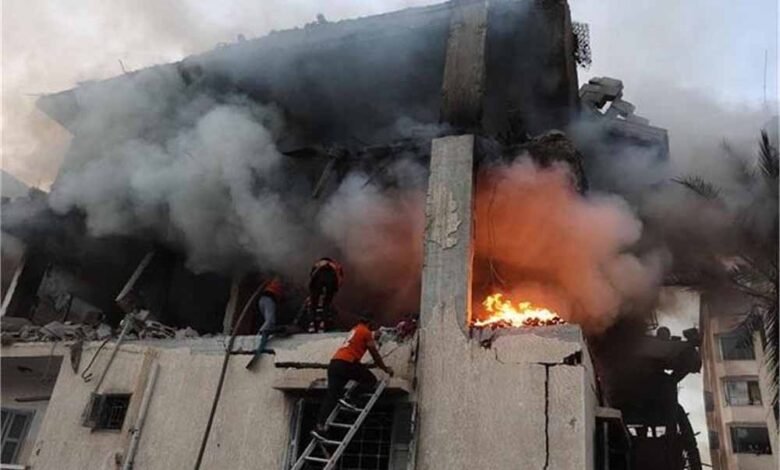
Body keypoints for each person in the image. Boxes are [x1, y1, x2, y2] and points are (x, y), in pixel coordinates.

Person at [312, 314, 393, 439]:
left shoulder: (355, 329)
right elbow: (374, 354)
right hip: (348, 362)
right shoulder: (365, 332)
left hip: (335, 363)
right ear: (369, 323)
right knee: (370, 380)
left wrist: (374, 335)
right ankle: (350, 397)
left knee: (331, 395)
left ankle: (319, 427)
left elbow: (360, 339)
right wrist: (385, 368)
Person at [246, 277, 283, 369]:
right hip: (268, 299)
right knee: (270, 321)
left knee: (269, 321)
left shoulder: (272, 282)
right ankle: (260, 336)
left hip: (263, 300)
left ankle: (261, 334)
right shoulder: (278, 279)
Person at [301, 257, 344, 332]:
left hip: (318, 278)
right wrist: (334, 290)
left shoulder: (318, 264)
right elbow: (340, 279)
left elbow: (312, 277)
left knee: (314, 303)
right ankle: (322, 324)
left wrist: (313, 293)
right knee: (326, 304)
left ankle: (312, 324)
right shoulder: (335, 265)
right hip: (331, 278)